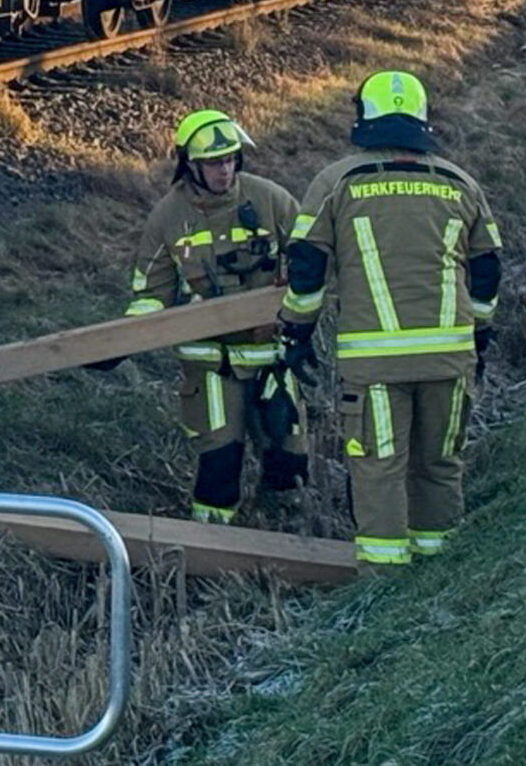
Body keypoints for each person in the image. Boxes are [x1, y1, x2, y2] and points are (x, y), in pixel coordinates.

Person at [280, 71, 502, 568]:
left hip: (375, 366)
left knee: (379, 470)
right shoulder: (460, 183)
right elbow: (488, 272)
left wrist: (296, 332)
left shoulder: (338, 182)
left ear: (364, 118)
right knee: (440, 466)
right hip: (449, 359)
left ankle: (383, 584)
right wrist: (479, 337)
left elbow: (307, 267)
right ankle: (440, 571)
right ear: (422, 120)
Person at [108, 109, 308, 524]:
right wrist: (120, 341)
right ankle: (215, 548)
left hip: (272, 358)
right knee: (220, 462)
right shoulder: (168, 217)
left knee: (289, 459)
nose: (225, 170)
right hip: (211, 368)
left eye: (231, 159)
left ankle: (284, 535)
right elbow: (151, 293)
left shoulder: (270, 199)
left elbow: (313, 257)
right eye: (214, 163)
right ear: (190, 166)